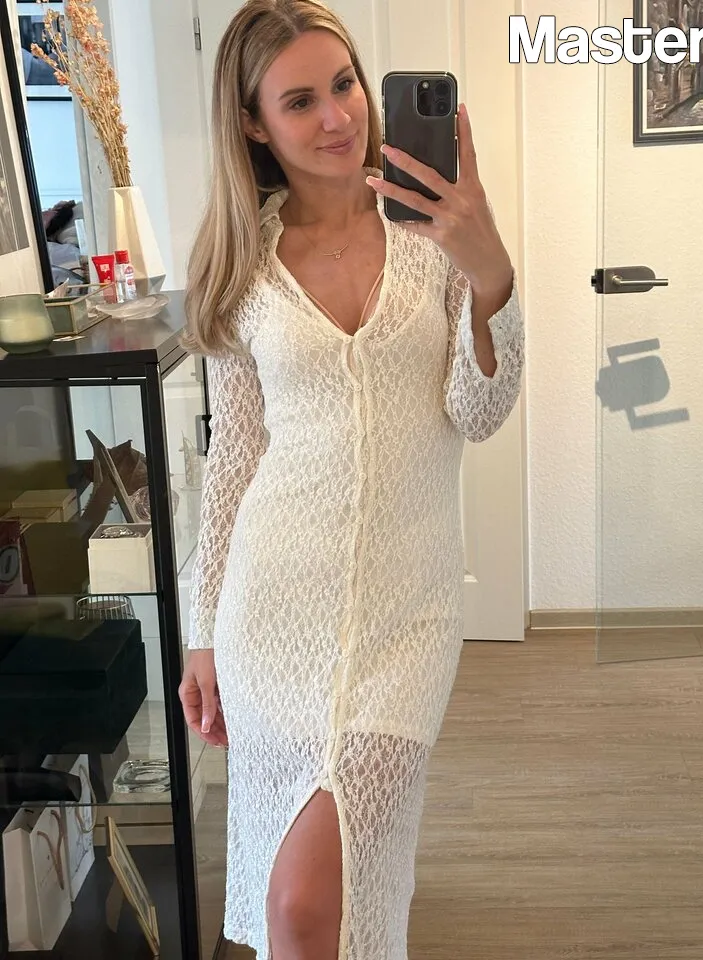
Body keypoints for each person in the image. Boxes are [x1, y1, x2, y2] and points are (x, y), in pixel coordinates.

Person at [178, 2, 525, 958]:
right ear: (253, 125)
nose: (338, 116)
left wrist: (490, 277)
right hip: (272, 612)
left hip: (405, 615)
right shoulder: (242, 266)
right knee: (296, 913)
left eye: (344, 85)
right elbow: (235, 460)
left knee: (315, 899)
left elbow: (480, 412)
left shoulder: (437, 234)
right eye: (300, 101)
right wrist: (203, 633)